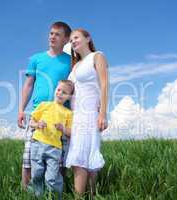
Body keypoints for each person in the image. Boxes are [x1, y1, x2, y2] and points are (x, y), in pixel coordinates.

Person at [17, 21, 72, 189]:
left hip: (61, 117)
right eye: (51, 33)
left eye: (57, 34)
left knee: (59, 161)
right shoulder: (36, 59)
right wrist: (21, 110)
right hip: (38, 115)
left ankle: (56, 193)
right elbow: (28, 84)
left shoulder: (71, 61)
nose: (52, 37)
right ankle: (25, 192)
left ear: (66, 39)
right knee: (29, 160)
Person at [65, 29, 109, 196]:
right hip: (76, 115)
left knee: (81, 158)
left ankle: (80, 197)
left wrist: (103, 114)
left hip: (90, 113)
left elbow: (104, 85)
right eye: (71, 40)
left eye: (76, 37)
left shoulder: (97, 56)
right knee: (85, 157)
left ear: (88, 38)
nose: (73, 41)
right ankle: (92, 195)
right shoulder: (75, 65)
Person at [27, 80, 74, 199]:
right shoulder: (44, 105)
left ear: (69, 97)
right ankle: (37, 196)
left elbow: (70, 132)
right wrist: (37, 125)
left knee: (52, 177)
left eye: (64, 92)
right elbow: (31, 122)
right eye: (58, 90)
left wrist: (63, 128)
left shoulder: (68, 113)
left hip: (54, 148)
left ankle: (54, 197)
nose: (60, 93)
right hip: (37, 143)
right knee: (36, 174)